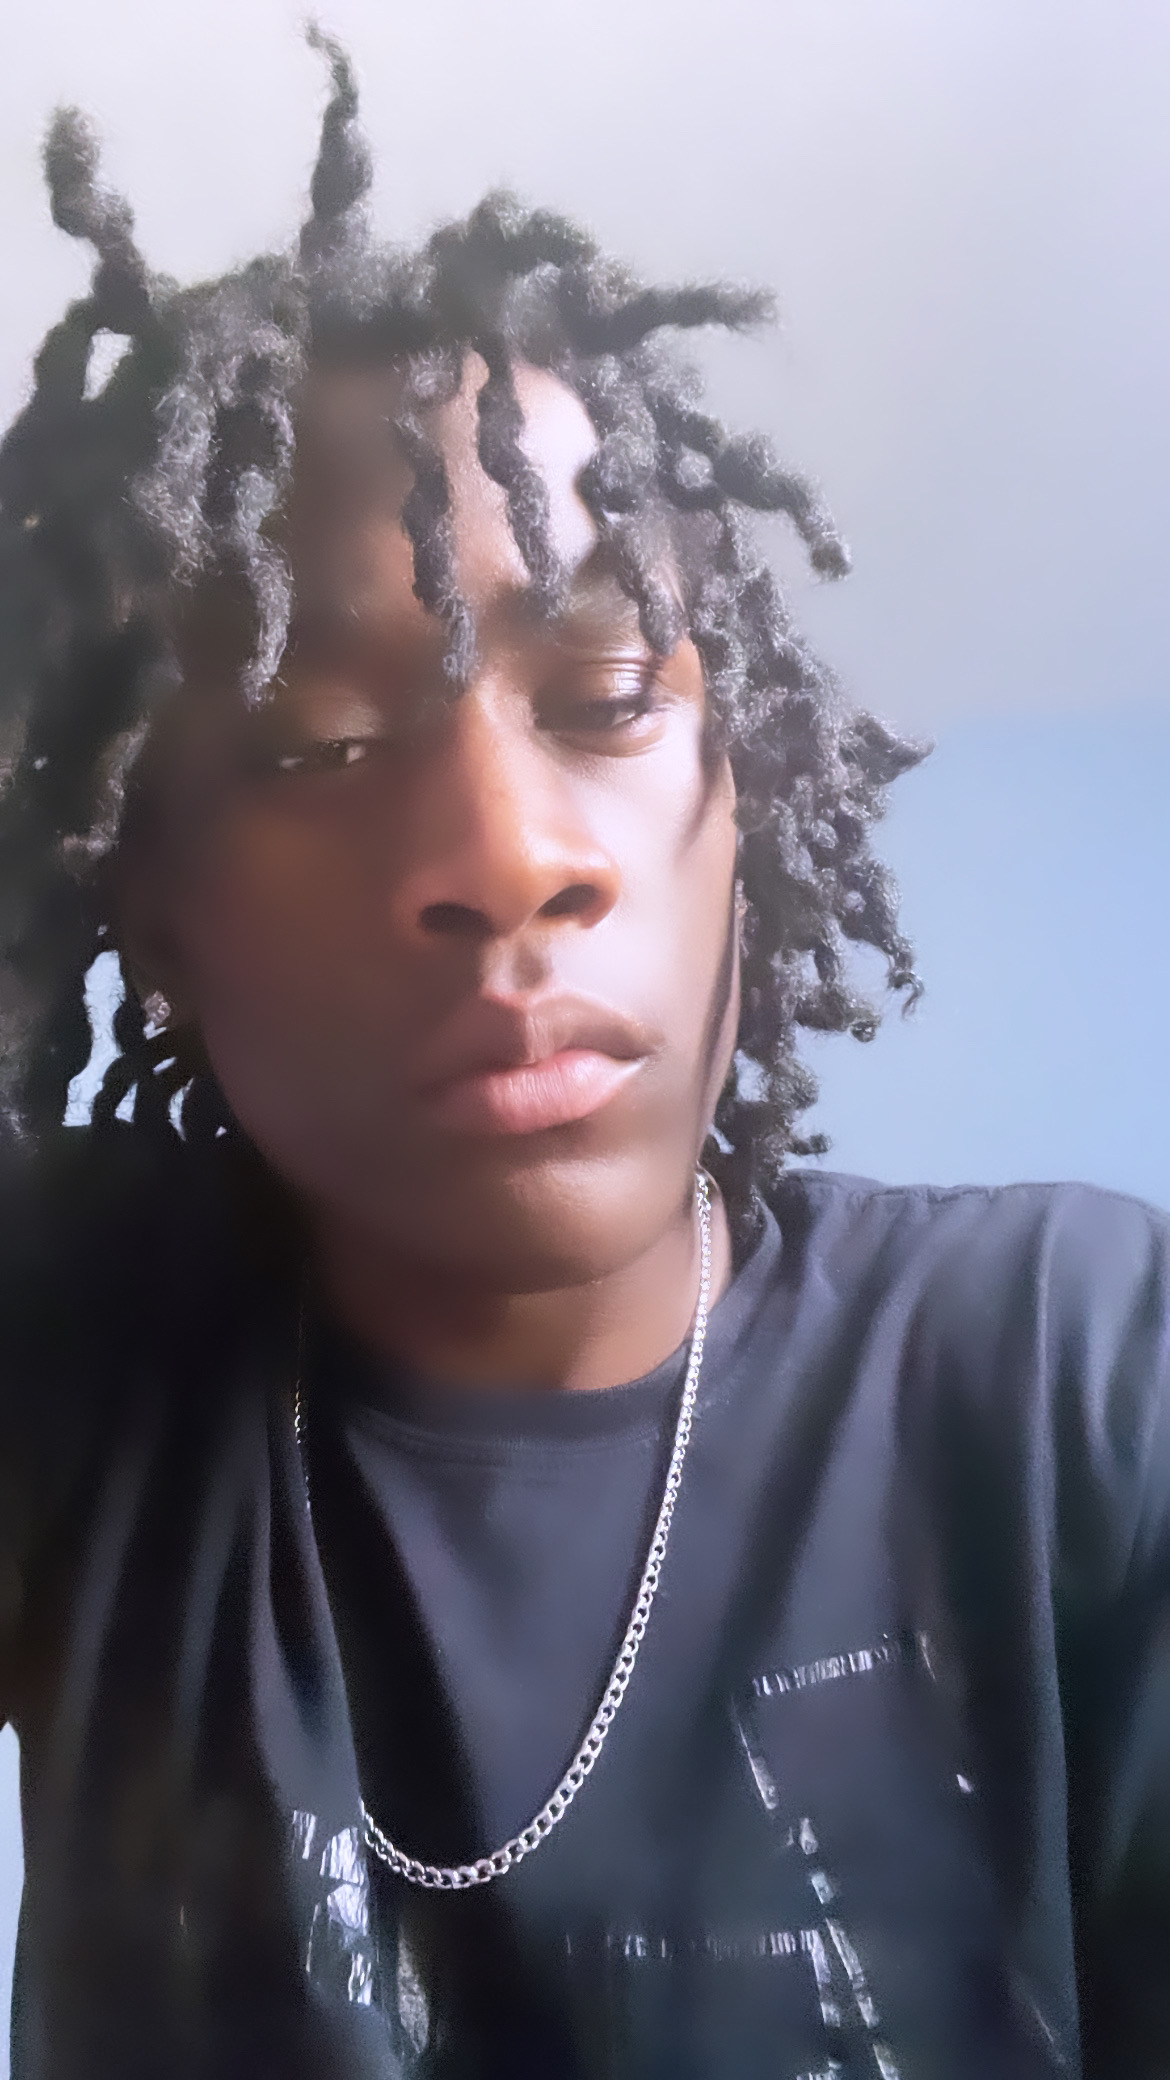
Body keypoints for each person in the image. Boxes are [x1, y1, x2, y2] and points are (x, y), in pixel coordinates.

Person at [0, 29, 1165, 2080]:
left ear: (746, 798)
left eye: (612, 696)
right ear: (147, 908)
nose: (508, 857)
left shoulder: (1075, 1361)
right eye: (315, 749)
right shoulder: (76, 1362)